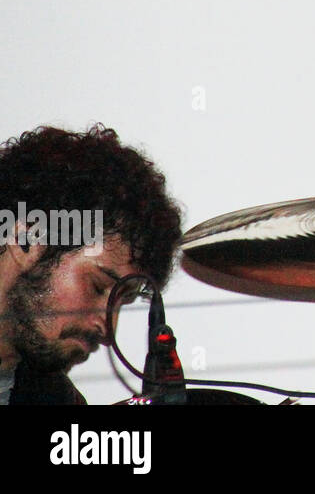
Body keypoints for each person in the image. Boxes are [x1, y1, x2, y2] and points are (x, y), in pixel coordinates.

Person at [0, 124, 183, 404]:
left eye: (122, 302)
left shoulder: (54, 397)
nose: (107, 328)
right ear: (25, 239)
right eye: (98, 287)